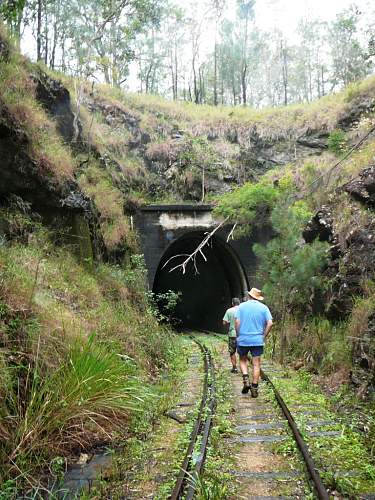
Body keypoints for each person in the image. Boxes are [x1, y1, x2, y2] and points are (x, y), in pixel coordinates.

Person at [235, 287, 273, 398]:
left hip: (243, 339)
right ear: (258, 298)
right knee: (256, 364)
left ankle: (246, 379)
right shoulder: (264, 308)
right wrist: (263, 335)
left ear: (249, 296)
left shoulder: (241, 306)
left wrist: (238, 334)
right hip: (257, 340)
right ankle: (254, 387)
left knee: (242, 360)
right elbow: (270, 323)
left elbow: (237, 321)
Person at [223, 297, 240, 373]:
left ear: (232, 303)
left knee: (232, 351)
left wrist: (230, 322)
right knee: (243, 352)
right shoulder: (242, 310)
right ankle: (244, 367)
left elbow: (224, 322)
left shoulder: (229, 311)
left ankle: (235, 367)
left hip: (232, 334)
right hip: (242, 334)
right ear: (239, 303)